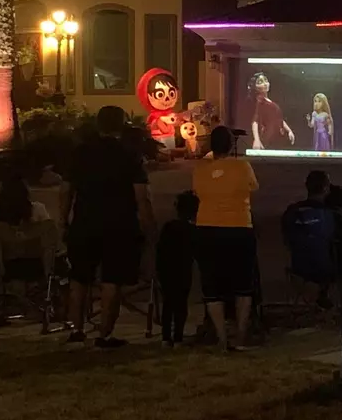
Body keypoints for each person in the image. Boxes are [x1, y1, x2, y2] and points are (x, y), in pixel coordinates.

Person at [61, 106, 155, 348]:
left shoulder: (81, 152)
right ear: (121, 125)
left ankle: (77, 329)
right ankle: (104, 334)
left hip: (84, 221)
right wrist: (148, 227)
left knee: (79, 278)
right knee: (112, 280)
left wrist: (64, 218)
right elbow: (141, 196)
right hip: (119, 225)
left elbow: (66, 189)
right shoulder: (129, 155)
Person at [192, 125, 260, 351]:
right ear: (232, 145)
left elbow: (196, 193)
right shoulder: (242, 166)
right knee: (243, 285)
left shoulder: (200, 169)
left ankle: (221, 338)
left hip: (207, 228)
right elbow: (253, 187)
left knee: (212, 285)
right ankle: (240, 336)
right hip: (239, 227)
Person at [281, 170, 342, 308]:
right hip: (327, 269)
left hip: (298, 267)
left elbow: (287, 239)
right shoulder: (332, 214)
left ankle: (320, 297)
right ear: (326, 188)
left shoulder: (292, 211)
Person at [156, 191, 198, 347]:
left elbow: (160, 250)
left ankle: (166, 336)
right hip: (183, 270)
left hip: (167, 269)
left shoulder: (169, 227)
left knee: (168, 304)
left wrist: (157, 269)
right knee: (181, 304)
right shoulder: (192, 231)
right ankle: (178, 336)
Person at [248, 72, 295, 150]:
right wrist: (256, 139)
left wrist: (289, 130)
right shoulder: (260, 102)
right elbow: (255, 121)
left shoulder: (270, 102)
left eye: (266, 81)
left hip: (278, 137)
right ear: (255, 87)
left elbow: (279, 119)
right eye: (260, 82)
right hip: (268, 138)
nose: (265, 84)